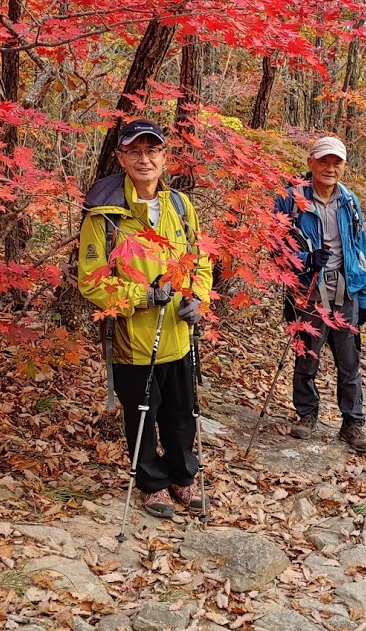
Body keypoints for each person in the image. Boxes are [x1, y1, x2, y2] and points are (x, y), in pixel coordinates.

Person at [77, 120, 213, 519]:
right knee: (143, 415)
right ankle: (151, 483)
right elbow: (91, 280)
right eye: (134, 151)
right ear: (121, 157)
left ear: (164, 157)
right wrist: (141, 296)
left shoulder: (180, 207)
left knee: (181, 414)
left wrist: (199, 299)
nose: (144, 159)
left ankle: (182, 477)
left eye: (152, 150)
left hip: (179, 335)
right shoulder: (104, 216)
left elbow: (200, 263)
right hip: (133, 340)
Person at [276, 135, 366, 453]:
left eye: (336, 162)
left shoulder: (349, 201)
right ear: (311, 163)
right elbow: (274, 247)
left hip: (345, 287)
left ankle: (352, 423)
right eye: (324, 161)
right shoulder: (291, 198)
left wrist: (365, 295)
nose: (330, 168)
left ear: (344, 166)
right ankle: (307, 414)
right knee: (307, 356)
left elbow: (360, 250)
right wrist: (306, 259)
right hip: (308, 288)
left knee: (349, 360)